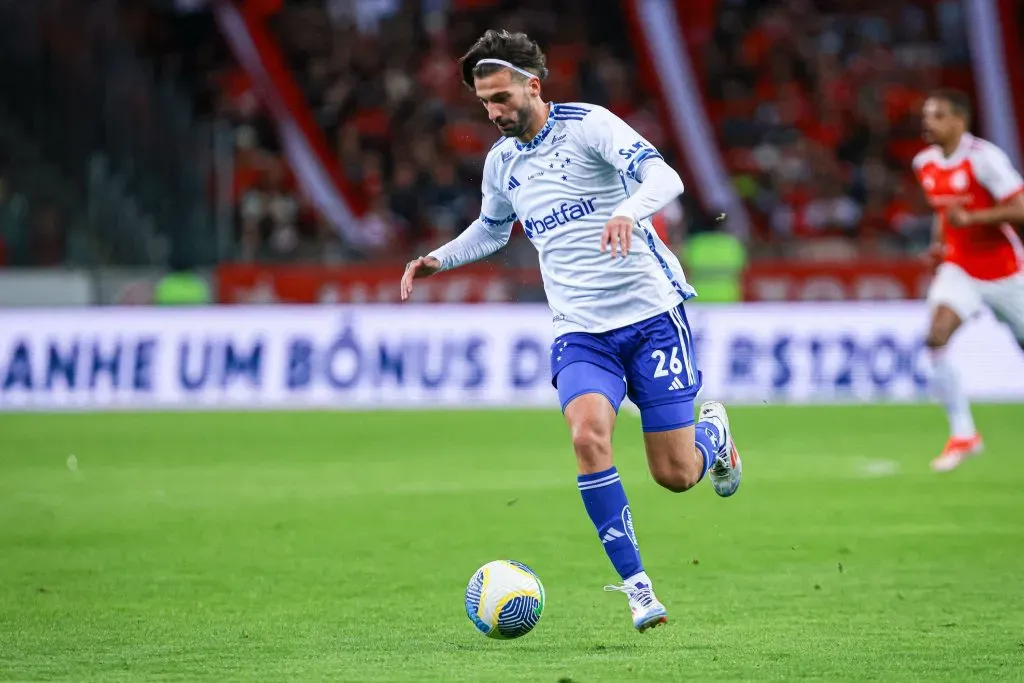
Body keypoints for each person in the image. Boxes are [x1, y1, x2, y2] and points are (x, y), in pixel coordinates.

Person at [399, 30, 742, 632]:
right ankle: (639, 589)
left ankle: (713, 437)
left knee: (676, 475)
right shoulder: (502, 163)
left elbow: (667, 180)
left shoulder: (591, 127)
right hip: (581, 332)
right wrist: (439, 258)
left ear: (534, 84)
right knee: (588, 438)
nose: (494, 113)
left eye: (502, 97)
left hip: (652, 319)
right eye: (484, 103)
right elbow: (491, 229)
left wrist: (626, 210)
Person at [912, 89, 1024, 472]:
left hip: (1006, 271)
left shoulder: (985, 159)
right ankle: (964, 433)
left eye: (938, 115)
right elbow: (943, 212)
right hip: (959, 268)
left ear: (960, 121)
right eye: (927, 115)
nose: (928, 123)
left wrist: (973, 220)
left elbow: (1020, 209)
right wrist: (938, 244)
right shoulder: (924, 163)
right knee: (936, 335)